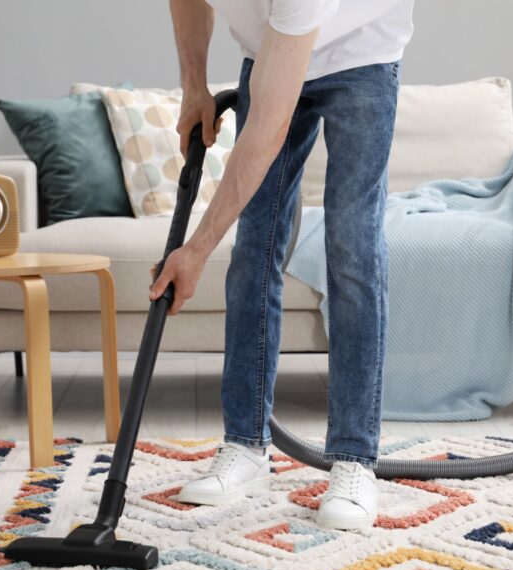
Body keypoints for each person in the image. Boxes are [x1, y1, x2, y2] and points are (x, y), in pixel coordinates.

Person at [152, 0, 415, 529]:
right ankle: (246, 445)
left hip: (363, 53)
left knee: (352, 245)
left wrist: (196, 248)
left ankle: (354, 458)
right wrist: (194, 86)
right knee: (254, 243)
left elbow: (267, 132)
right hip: (269, 48)